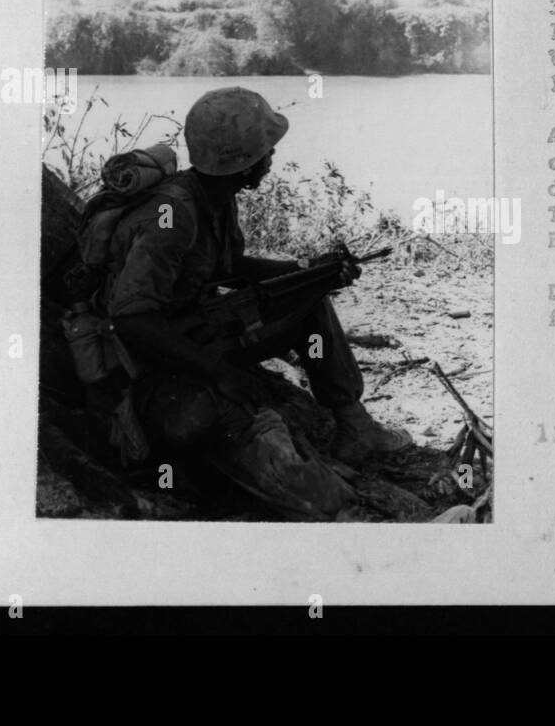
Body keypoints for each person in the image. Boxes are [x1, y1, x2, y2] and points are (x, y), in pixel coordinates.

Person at [102, 87, 412, 511]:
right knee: (210, 426)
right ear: (240, 160)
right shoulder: (171, 216)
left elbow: (230, 267)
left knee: (309, 296)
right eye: (265, 150)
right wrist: (217, 373)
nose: (271, 158)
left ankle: (354, 426)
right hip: (158, 362)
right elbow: (132, 320)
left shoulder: (212, 196)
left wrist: (309, 272)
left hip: (193, 333)